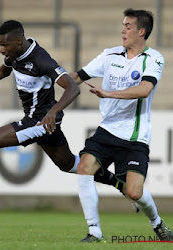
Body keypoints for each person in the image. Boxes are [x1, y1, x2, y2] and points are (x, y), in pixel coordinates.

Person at [0, 20, 123, 208]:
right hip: (41, 121)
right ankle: (119, 182)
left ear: (19, 41)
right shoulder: (15, 54)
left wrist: (53, 112)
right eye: (0, 45)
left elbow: (72, 88)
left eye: (4, 45)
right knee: (69, 164)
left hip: (40, 122)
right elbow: (1, 71)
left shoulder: (41, 60)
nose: (1, 50)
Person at [70, 8, 173, 242]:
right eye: (123, 25)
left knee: (134, 192)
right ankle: (94, 231)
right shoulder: (110, 55)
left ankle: (158, 225)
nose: (122, 30)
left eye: (128, 26)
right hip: (107, 130)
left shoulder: (153, 58)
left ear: (142, 31)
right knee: (85, 167)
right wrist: (52, 77)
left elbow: (145, 90)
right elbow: (78, 76)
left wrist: (108, 93)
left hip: (135, 136)